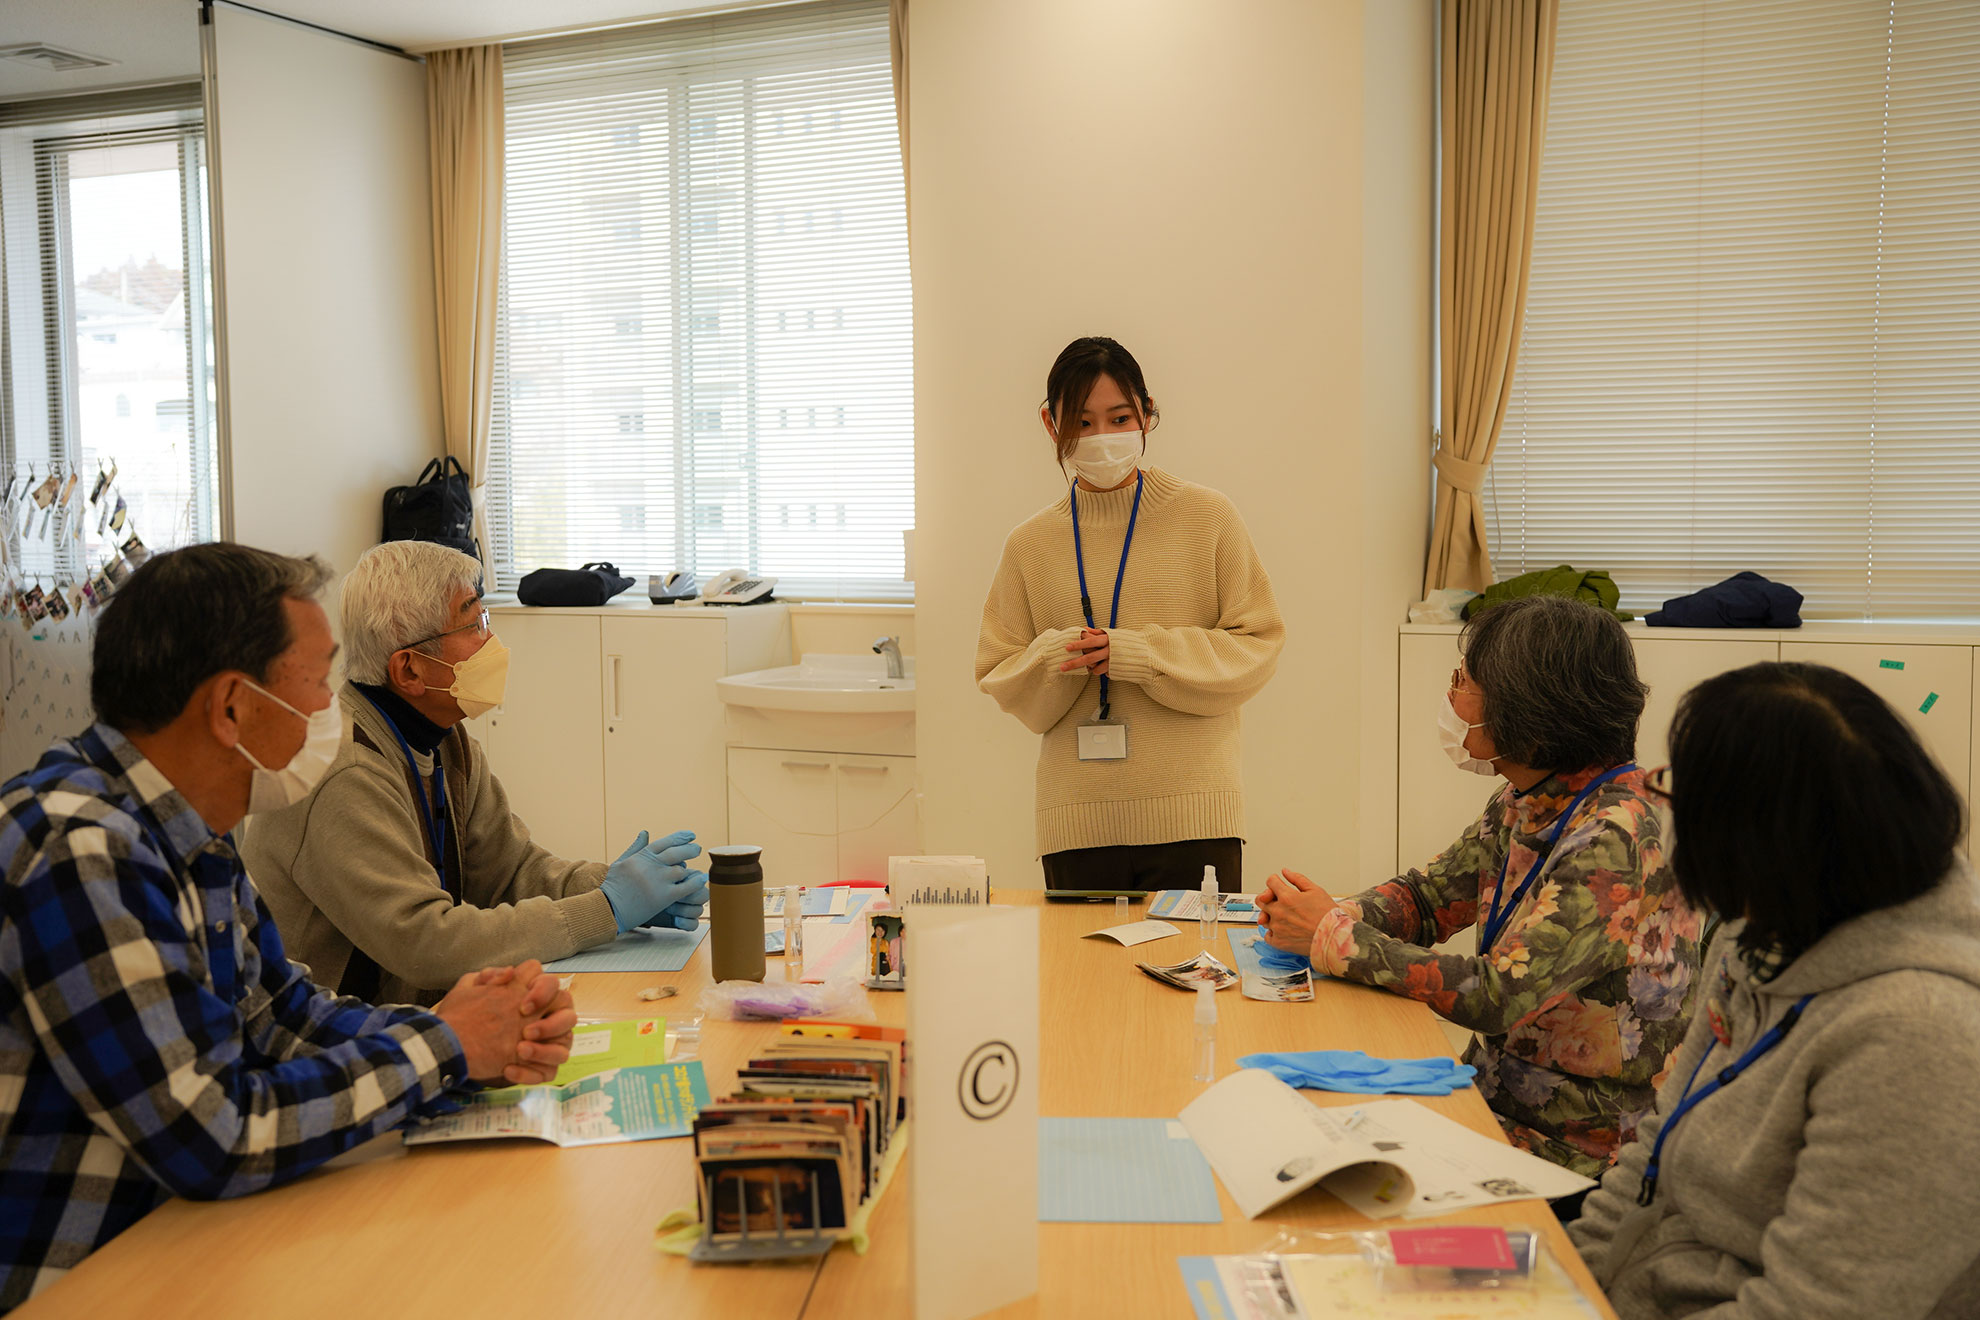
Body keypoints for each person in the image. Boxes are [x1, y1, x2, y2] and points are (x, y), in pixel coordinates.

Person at [0, 543, 578, 1310]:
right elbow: (214, 1133)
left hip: (189, 1239)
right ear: (231, 708)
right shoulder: (79, 850)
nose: (330, 709)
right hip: (87, 1278)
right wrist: (446, 1047)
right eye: (316, 682)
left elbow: (283, 1017)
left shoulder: (189, 831)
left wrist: (476, 1037)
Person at [1571, 663, 1980, 1318]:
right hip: (1650, 1279)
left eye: (1679, 791)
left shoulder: (1918, 1038)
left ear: (1754, 838)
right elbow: (1656, 1143)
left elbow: (1815, 1308)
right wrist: (1566, 1280)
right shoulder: (1760, 932)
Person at [1257, 595, 1702, 1178]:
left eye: (1463, 682)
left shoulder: (1615, 838)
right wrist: (1324, 913)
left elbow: (1498, 996)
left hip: (1576, 1147)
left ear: (1527, 707)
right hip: (1496, 1097)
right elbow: (1428, 899)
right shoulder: (1528, 797)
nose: (1450, 696)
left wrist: (1331, 935)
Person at [239, 541, 707, 1006]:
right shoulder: (345, 770)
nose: (492, 641)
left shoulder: (445, 739)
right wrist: (608, 908)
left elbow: (510, 872)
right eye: (475, 624)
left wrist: (621, 887)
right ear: (410, 670)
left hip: (415, 1014)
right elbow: (426, 942)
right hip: (330, 1033)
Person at [975, 336, 1284, 890]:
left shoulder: (1208, 516)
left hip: (1196, 817)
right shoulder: (1029, 543)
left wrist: (1137, 654)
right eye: (1082, 422)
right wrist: (1063, 653)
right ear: (1051, 424)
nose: (1102, 437)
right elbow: (999, 672)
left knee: (1196, 951)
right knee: (1077, 954)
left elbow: (1257, 646)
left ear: (1147, 413)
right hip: (1076, 821)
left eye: (1119, 418)